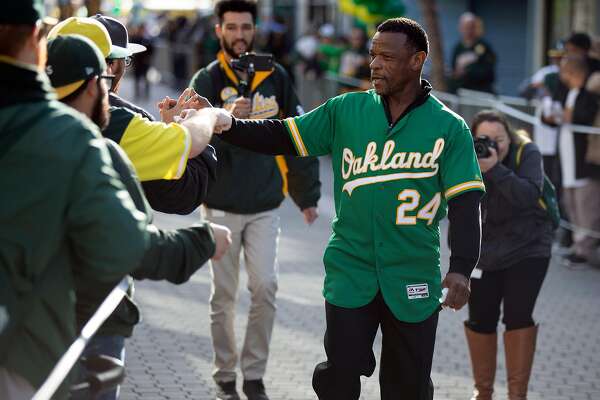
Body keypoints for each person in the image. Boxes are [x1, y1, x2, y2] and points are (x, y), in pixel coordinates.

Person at [207, 17, 485, 400]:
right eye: (372, 55)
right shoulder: (345, 110)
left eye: (387, 56)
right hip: (350, 268)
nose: (374, 64)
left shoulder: (449, 128)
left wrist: (461, 269)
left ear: (417, 60)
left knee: (409, 386)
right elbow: (284, 135)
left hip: (413, 272)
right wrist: (227, 124)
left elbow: (466, 205)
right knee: (339, 375)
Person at [45, 33, 233, 400]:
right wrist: (205, 239)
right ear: (91, 86)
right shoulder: (103, 145)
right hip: (89, 321)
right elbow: (136, 247)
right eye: (107, 76)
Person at [0, 2, 150, 398]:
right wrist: (201, 241)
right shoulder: (73, 135)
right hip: (39, 337)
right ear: (35, 41)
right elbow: (131, 244)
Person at [189, 1, 321, 399]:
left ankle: (255, 375)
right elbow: (188, 143)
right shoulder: (207, 79)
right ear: (219, 31)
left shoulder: (276, 77)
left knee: (265, 288)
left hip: (265, 204)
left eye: (245, 26)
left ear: (255, 29)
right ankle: (225, 375)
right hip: (221, 205)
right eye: (231, 27)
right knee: (223, 298)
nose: (240, 34)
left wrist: (307, 194)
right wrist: (222, 119)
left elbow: (298, 135)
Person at [49, 16, 218, 215]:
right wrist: (207, 117)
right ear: (108, 67)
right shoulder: (120, 122)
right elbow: (180, 194)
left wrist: (163, 134)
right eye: (125, 60)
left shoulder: (22, 107)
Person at [464, 110, 554, 400]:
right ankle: (483, 392)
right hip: (485, 252)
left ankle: (517, 395)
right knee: (480, 319)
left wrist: (494, 169)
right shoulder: (466, 155)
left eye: (499, 139)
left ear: (509, 136)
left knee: (517, 316)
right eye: (484, 139)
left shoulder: (527, 152)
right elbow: (458, 206)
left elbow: (528, 196)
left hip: (527, 248)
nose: (492, 146)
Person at [557, 56, 600, 267]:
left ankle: (585, 250)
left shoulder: (588, 95)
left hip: (583, 163)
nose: (561, 76)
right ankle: (577, 245)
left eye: (564, 71)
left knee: (587, 208)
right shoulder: (569, 93)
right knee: (571, 205)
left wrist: (567, 116)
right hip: (568, 161)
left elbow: (581, 118)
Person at [449, 12, 496, 93]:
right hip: (462, 92)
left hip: (480, 92)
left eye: (471, 27)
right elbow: (454, 70)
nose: (468, 31)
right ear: (460, 28)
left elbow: (489, 72)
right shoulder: (457, 48)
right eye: (465, 27)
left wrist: (469, 72)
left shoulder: (483, 46)